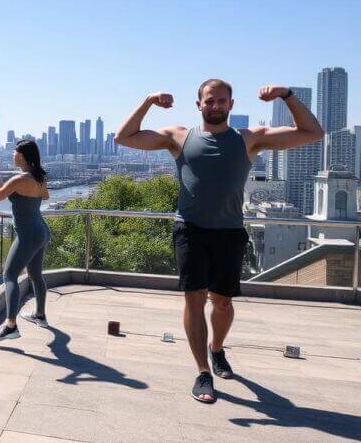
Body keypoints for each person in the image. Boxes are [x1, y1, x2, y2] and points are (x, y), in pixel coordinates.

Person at [115, 80, 323, 404]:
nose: (216, 106)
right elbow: (123, 137)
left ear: (231, 104)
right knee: (194, 298)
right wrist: (147, 101)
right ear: (199, 104)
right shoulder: (179, 137)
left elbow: (312, 132)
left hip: (229, 232)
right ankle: (202, 372)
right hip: (190, 229)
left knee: (222, 302)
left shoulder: (248, 139)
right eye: (210, 101)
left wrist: (286, 95)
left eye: (222, 101)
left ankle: (216, 349)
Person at [0, 140, 51, 341]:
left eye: (13, 152)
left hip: (28, 234)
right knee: (35, 275)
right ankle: (40, 315)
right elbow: (44, 196)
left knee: (9, 275)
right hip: (41, 230)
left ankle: (11, 326)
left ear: (21, 155)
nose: (11, 155)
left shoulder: (20, 179)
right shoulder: (39, 177)